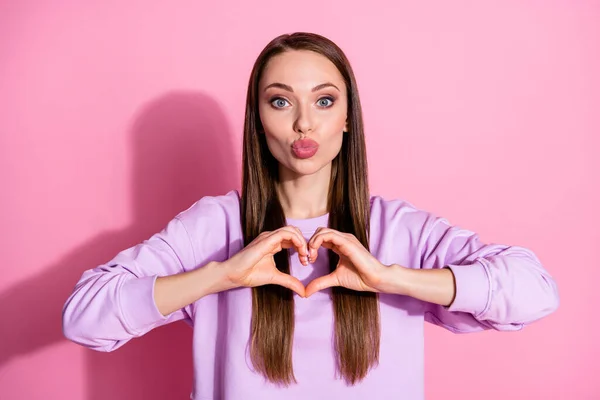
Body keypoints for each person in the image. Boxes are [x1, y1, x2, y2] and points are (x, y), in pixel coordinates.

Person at [62, 32, 559, 400]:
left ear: (347, 118)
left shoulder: (401, 231)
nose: (303, 122)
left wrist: (393, 278)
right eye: (280, 101)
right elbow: (85, 318)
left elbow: (535, 291)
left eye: (324, 100)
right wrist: (218, 276)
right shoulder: (214, 228)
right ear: (258, 118)